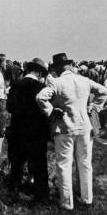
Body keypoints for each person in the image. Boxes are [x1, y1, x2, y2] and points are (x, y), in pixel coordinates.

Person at [36, 53, 107, 211]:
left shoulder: (57, 82)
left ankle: (67, 203)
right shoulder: (84, 80)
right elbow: (104, 91)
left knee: (64, 165)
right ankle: (87, 199)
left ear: (58, 68)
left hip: (64, 128)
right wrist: (94, 107)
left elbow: (40, 98)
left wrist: (52, 111)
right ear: (69, 65)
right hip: (84, 127)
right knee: (85, 164)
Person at [6, 58, 50, 205]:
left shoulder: (16, 85)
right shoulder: (41, 87)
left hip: (17, 129)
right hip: (36, 131)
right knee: (39, 165)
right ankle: (41, 196)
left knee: (17, 164)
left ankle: (13, 193)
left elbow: (10, 107)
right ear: (39, 72)